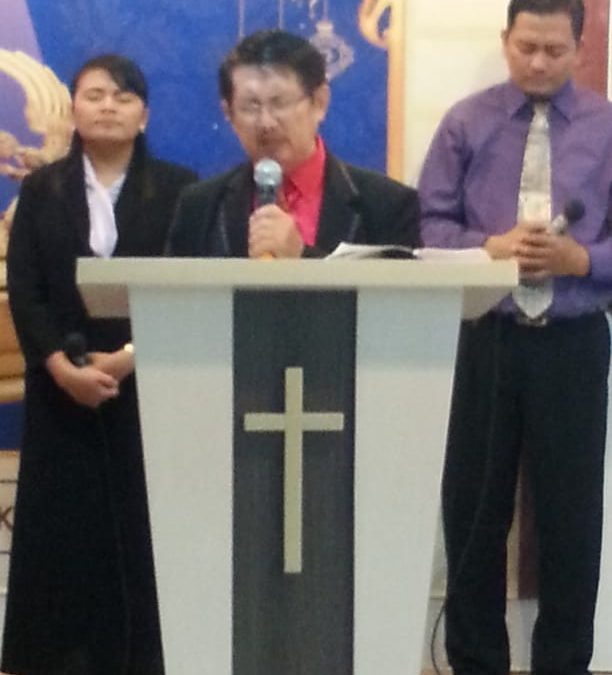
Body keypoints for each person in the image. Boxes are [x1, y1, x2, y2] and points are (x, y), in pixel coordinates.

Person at [418, 1, 612, 673]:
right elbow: (429, 227)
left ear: (579, 49)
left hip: (572, 342)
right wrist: (488, 249)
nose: (538, 62)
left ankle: (564, 662)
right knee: (473, 512)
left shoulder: (607, 128)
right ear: (506, 40)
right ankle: (475, 662)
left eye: (554, 50)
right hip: (484, 336)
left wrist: (581, 259)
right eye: (526, 46)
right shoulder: (465, 123)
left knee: (570, 518)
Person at [3, 54, 197, 675]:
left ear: (145, 115)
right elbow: (25, 288)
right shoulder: (42, 190)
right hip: (61, 387)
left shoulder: (181, 190)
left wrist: (133, 356)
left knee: (140, 526)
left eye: (123, 96)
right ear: (73, 109)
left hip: (148, 384)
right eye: (94, 95)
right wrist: (60, 367)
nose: (108, 105)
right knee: (62, 532)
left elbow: (188, 286)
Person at [167, 29, 420, 258]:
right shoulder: (199, 207)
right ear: (228, 113)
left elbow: (396, 293)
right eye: (251, 106)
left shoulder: (388, 205)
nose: (266, 122)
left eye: (280, 103)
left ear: (319, 102)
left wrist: (301, 255)